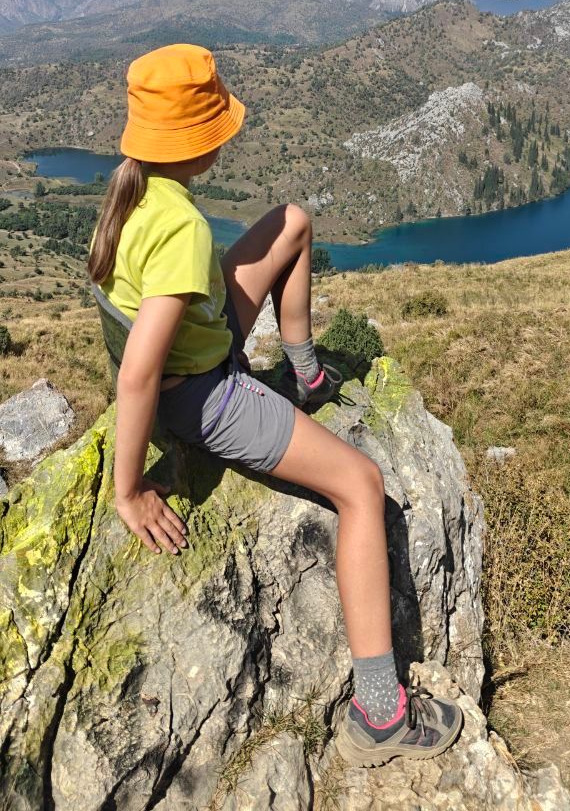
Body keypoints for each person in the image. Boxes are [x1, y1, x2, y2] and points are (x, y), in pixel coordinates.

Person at [87, 44, 463, 767]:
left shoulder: (132, 194)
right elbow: (138, 375)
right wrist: (127, 490)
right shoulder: (181, 228)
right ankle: (380, 713)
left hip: (199, 351)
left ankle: (306, 375)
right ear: (194, 140)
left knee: (292, 221)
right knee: (362, 486)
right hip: (199, 394)